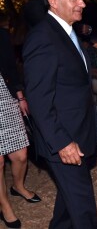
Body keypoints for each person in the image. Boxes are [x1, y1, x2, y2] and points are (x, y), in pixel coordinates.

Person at [22, 0, 97, 229]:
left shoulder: (66, 30)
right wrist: (62, 142)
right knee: (84, 210)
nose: (83, 3)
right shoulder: (42, 37)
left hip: (78, 133)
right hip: (64, 140)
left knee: (67, 208)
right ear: (53, 1)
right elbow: (38, 98)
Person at [0, 13, 41, 229]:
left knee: (21, 154)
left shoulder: (2, 35)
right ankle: (5, 206)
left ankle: (18, 186)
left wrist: (20, 96)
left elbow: (11, 68)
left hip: (4, 96)